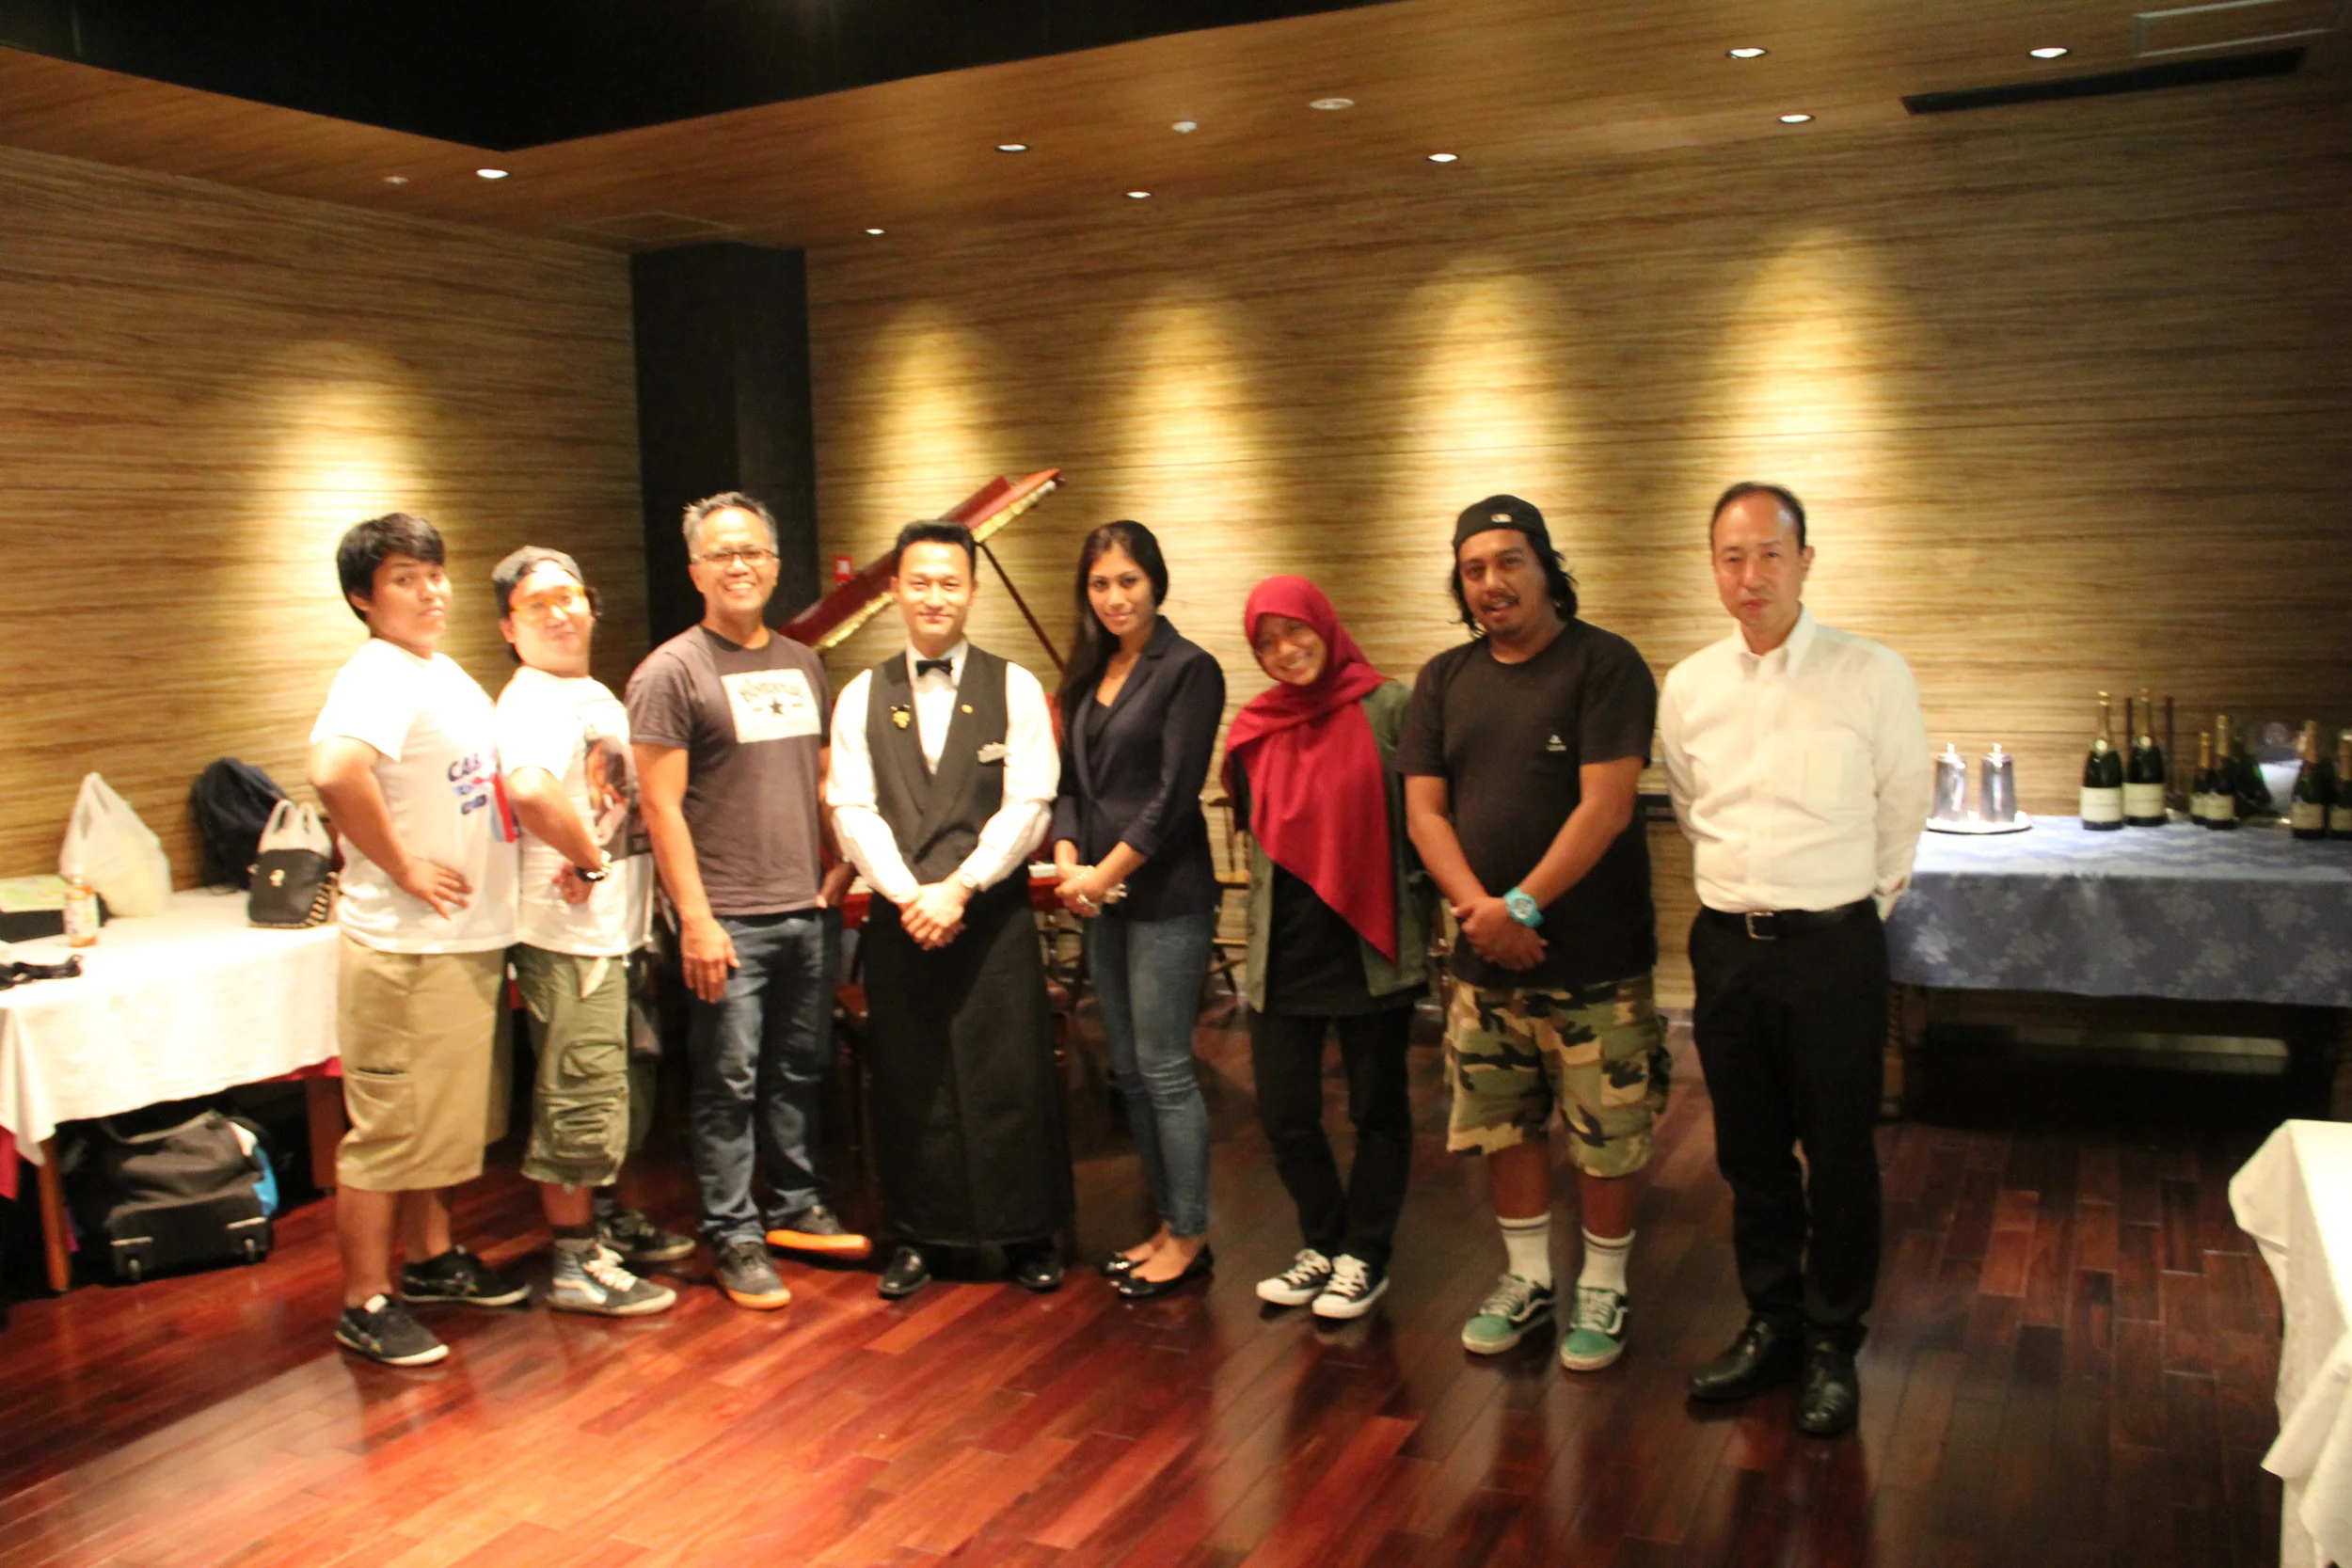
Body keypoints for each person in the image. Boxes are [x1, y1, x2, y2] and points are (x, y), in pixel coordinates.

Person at [1659, 483, 1930, 1437]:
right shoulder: (1690, 686)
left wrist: (1856, 908)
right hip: (1728, 948)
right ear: (1714, 567)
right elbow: (1690, 806)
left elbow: (1901, 806)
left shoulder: (1871, 673)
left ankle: (1832, 1339)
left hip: (1832, 950)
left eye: (1769, 553)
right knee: (1750, 1152)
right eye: (1731, 556)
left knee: (1841, 1153)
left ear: (1805, 560)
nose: (1751, 575)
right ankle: (1772, 1321)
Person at [1401, 494, 1669, 1374]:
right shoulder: (1442, 679)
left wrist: (1516, 907)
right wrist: (1481, 913)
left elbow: (1607, 805)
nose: (1492, 582)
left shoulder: (1606, 663)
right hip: (1484, 962)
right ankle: (1527, 1278)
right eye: (1473, 569)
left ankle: (1604, 1284)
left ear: (1548, 567)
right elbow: (1425, 812)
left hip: (1595, 959)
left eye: (1510, 561)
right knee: (1502, 1124)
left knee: (1607, 1130)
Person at [627, 491, 862, 1312]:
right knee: (727, 1081)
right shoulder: (670, 672)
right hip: (726, 915)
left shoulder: (802, 662)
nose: (739, 566)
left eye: (753, 552)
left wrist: (844, 862)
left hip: (805, 905)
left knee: (799, 1069)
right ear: (696, 570)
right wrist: (694, 918)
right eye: (722, 554)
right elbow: (660, 808)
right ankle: (732, 1232)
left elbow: (822, 779)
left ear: (775, 564)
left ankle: (798, 1205)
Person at [826, 520, 1073, 1299]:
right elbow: (850, 807)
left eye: (950, 582)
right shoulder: (861, 694)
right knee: (911, 1074)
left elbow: (1031, 803)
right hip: (903, 916)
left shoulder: (1015, 686)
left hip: (990, 914)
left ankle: (1027, 1231)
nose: (935, 596)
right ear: (895, 590)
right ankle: (918, 1234)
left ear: (972, 589)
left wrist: (960, 886)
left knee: (1011, 1072)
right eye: (920, 582)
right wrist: (909, 894)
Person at [309, 513, 525, 1367]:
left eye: (435, 573)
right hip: (406, 948)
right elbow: (333, 770)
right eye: (405, 578)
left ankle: (432, 1258)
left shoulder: (436, 668)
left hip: (459, 937)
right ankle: (364, 1299)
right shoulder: (376, 674)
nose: (431, 590)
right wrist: (401, 865)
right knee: (391, 1130)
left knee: (442, 1123)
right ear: (363, 597)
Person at [1224, 577, 1436, 1322]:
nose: (1285, 650)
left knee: (1378, 1108)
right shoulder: (1255, 727)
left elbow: (1428, 817)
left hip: (1370, 940)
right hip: (1285, 949)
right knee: (1285, 1111)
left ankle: (1365, 1254)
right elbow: (1254, 833)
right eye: (1267, 642)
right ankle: (1323, 1239)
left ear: (1325, 623)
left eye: (1296, 631)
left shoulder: (1390, 706)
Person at [491, 546, 676, 1318]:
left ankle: (603, 1220)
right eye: (537, 605)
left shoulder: (590, 692)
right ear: (510, 628)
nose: (559, 613)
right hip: (569, 937)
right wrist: (592, 860)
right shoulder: (532, 699)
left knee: (617, 1088)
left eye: (569, 596)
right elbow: (529, 788)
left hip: (614, 931)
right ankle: (575, 1261)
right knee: (579, 1093)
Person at [1050, 520, 1227, 1300]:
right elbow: (1069, 786)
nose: (1114, 596)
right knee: (1127, 1069)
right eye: (1100, 583)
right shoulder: (1087, 672)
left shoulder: (1189, 668)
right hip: (1101, 896)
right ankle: (1166, 1222)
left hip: (1165, 895)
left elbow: (1173, 796)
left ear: (1155, 581)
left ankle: (1190, 1233)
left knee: (1164, 1068)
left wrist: (1102, 874)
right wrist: (1067, 858)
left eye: (1128, 580)